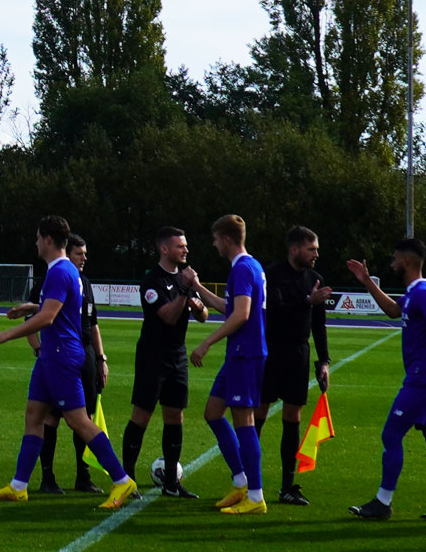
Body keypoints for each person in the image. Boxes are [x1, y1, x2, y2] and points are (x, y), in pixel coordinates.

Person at [0, 215, 138, 509]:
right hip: (52, 355)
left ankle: (121, 480)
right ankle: (19, 485)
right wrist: (32, 306)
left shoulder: (59, 272)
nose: (36, 243)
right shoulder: (65, 271)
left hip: (61, 355)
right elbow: (57, 308)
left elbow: (49, 317)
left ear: (48, 240)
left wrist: (5, 336)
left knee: (79, 421)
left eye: (38, 238)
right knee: (33, 415)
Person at [346, 239, 426, 521]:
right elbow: (393, 310)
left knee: (391, 434)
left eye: (395, 258)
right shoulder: (414, 293)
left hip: (422, 379)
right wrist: (367, 282)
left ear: (408, 262)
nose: (392, 263)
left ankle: (383, 502)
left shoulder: (424, 293)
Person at [185, 215, 269, 515]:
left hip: (245, 354)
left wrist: (207, 342)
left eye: (216, 239)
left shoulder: (243, 268)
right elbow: (227, 307)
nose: (214, 244)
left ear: (228, 240)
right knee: (212, 412)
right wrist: (197, 287)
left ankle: (255, 495)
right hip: (239, 354)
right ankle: (241, 480)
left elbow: (241, 314)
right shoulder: (248, 267)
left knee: (243, 421)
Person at [121, 227, 206, 498]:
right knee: (142, 416)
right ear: (164, 249)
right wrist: (183, 290)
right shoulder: (152, 280)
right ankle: (127, 480)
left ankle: (171, 482)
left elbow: (203, 315)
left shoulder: (186, 278)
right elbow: (167, 317)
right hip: (152, 355)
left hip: (177, 355)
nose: (185, 250)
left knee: (175, 416)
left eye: (186, 245)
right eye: (180, 246)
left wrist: (197, 305)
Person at [28, 234, 108, 495]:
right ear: (66, 252)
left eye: (85, 254)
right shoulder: (50, 279)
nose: (84, 258)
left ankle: (82, 476)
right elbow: (35, 317)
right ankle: (47, 477)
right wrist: (40, 349)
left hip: (82, 354)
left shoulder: (83, 282)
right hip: (59, 354)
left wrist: (101, 358)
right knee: (51, 417)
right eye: (79, 254)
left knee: (82, 417)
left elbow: (93, 323)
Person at [262, 226, 333, 505]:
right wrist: (307, 301)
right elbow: (274, 310)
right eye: (311, 249)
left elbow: (319, 325)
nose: (316, 254)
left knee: (292, 420)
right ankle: (246, 482)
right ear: (295, 249)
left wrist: (324, 361)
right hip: (270, 352)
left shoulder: (315, 279)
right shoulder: (272, 274)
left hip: (298, 355)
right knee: (256, 417)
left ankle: (287, 487)